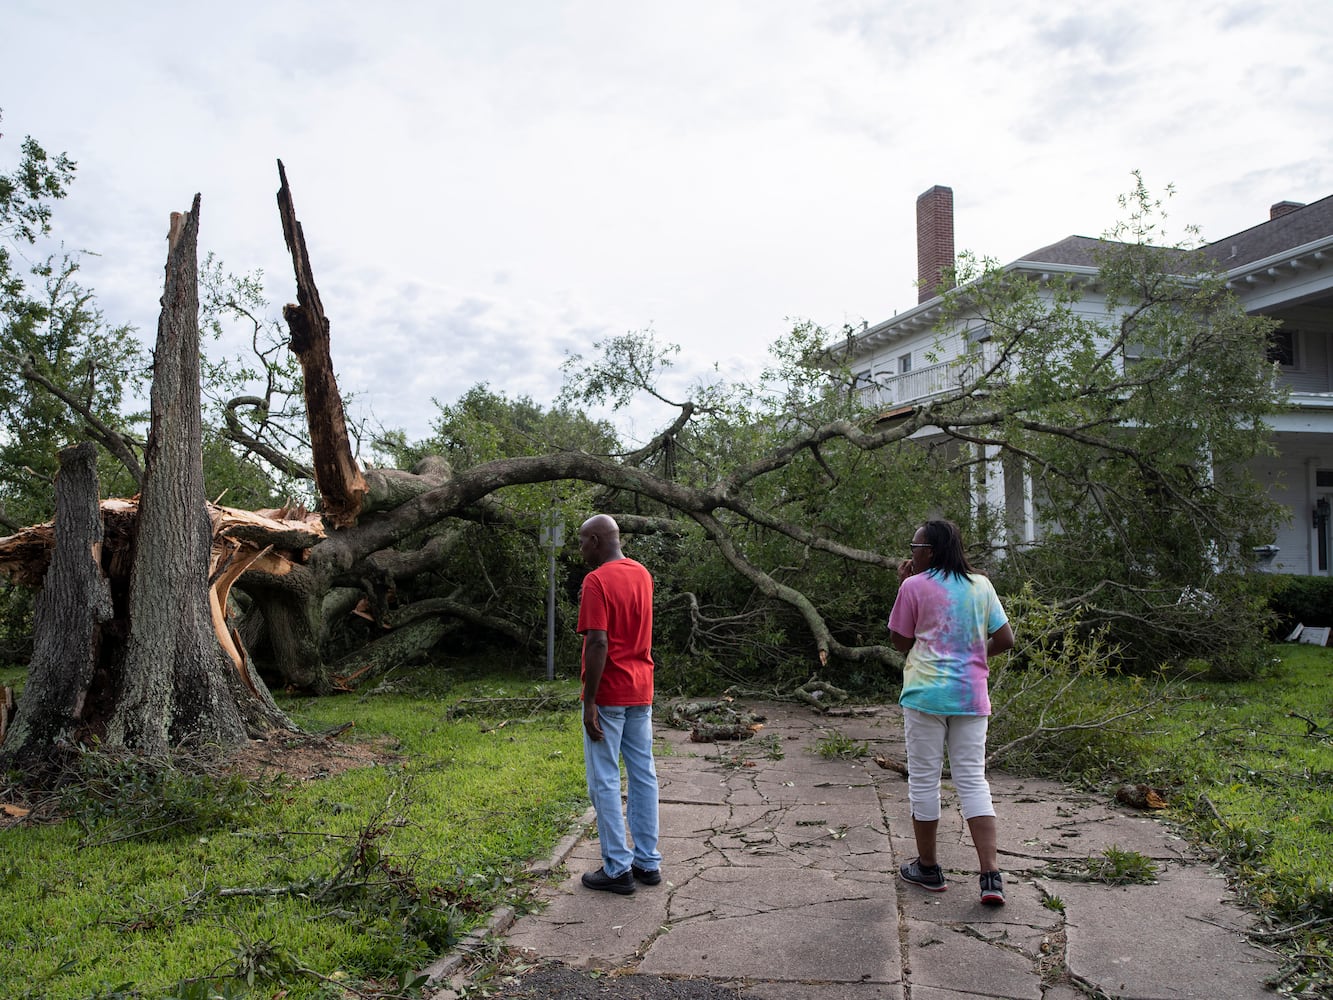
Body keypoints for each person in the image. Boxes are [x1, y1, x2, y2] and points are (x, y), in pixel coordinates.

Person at [887, 518, 1015, 906]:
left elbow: (899, 641)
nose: (912, 553)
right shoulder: (982, 585)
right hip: (970, 696)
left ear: (930, 551)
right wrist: (973, 654)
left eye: (915, 547)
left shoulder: (914, 586)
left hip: (926, 695)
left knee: (924, 781)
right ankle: (990, 876)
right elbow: (1005, 639)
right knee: (973, 780)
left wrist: (903, 586)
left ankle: (928, 868)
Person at [575, 513, 662, 894]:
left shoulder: (596, 580)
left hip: (609, 693)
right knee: (643, 776)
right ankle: (647, 861)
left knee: (605, 780)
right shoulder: (642, 574)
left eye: (581, 541)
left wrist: (590, 701)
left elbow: (598, 642)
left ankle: (617, 869)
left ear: (596, 540)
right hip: (641, 688)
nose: (579, 549)